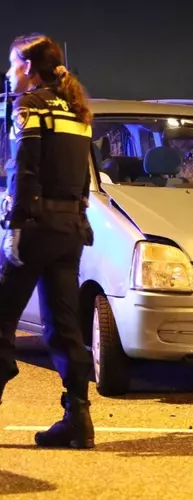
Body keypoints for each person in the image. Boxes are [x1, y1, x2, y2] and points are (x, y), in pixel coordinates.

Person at [0, 33, 95, 449]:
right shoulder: (76, 108)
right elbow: (81, 176)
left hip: (36, 227)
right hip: (69, 228)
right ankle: (78, 420)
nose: (7, 73)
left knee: (1, 320)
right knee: (65, 327)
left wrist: (14, 227)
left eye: (10, 64)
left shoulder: (30, 105)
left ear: (26, 65)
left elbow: (26, 170)